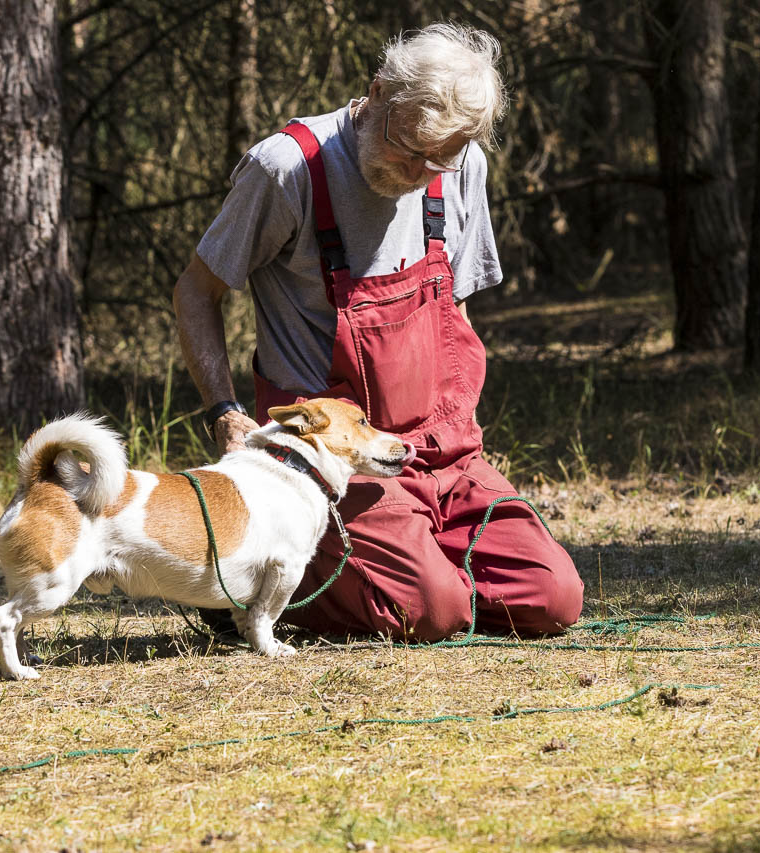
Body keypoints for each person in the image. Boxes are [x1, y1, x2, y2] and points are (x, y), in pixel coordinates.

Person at [172, 22, 583, 641]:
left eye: (436, 159)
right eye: (407, 147)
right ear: (379, 92)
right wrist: (225, 415)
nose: (418, 172)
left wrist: (458, 418)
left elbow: (453, 312)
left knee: (552, 597)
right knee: (433, 610)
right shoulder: (288, 168)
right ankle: (244, 585)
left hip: (441, 453)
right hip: (334, 462)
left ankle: (410, 565)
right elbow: (194, 292)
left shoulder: (462, 164)